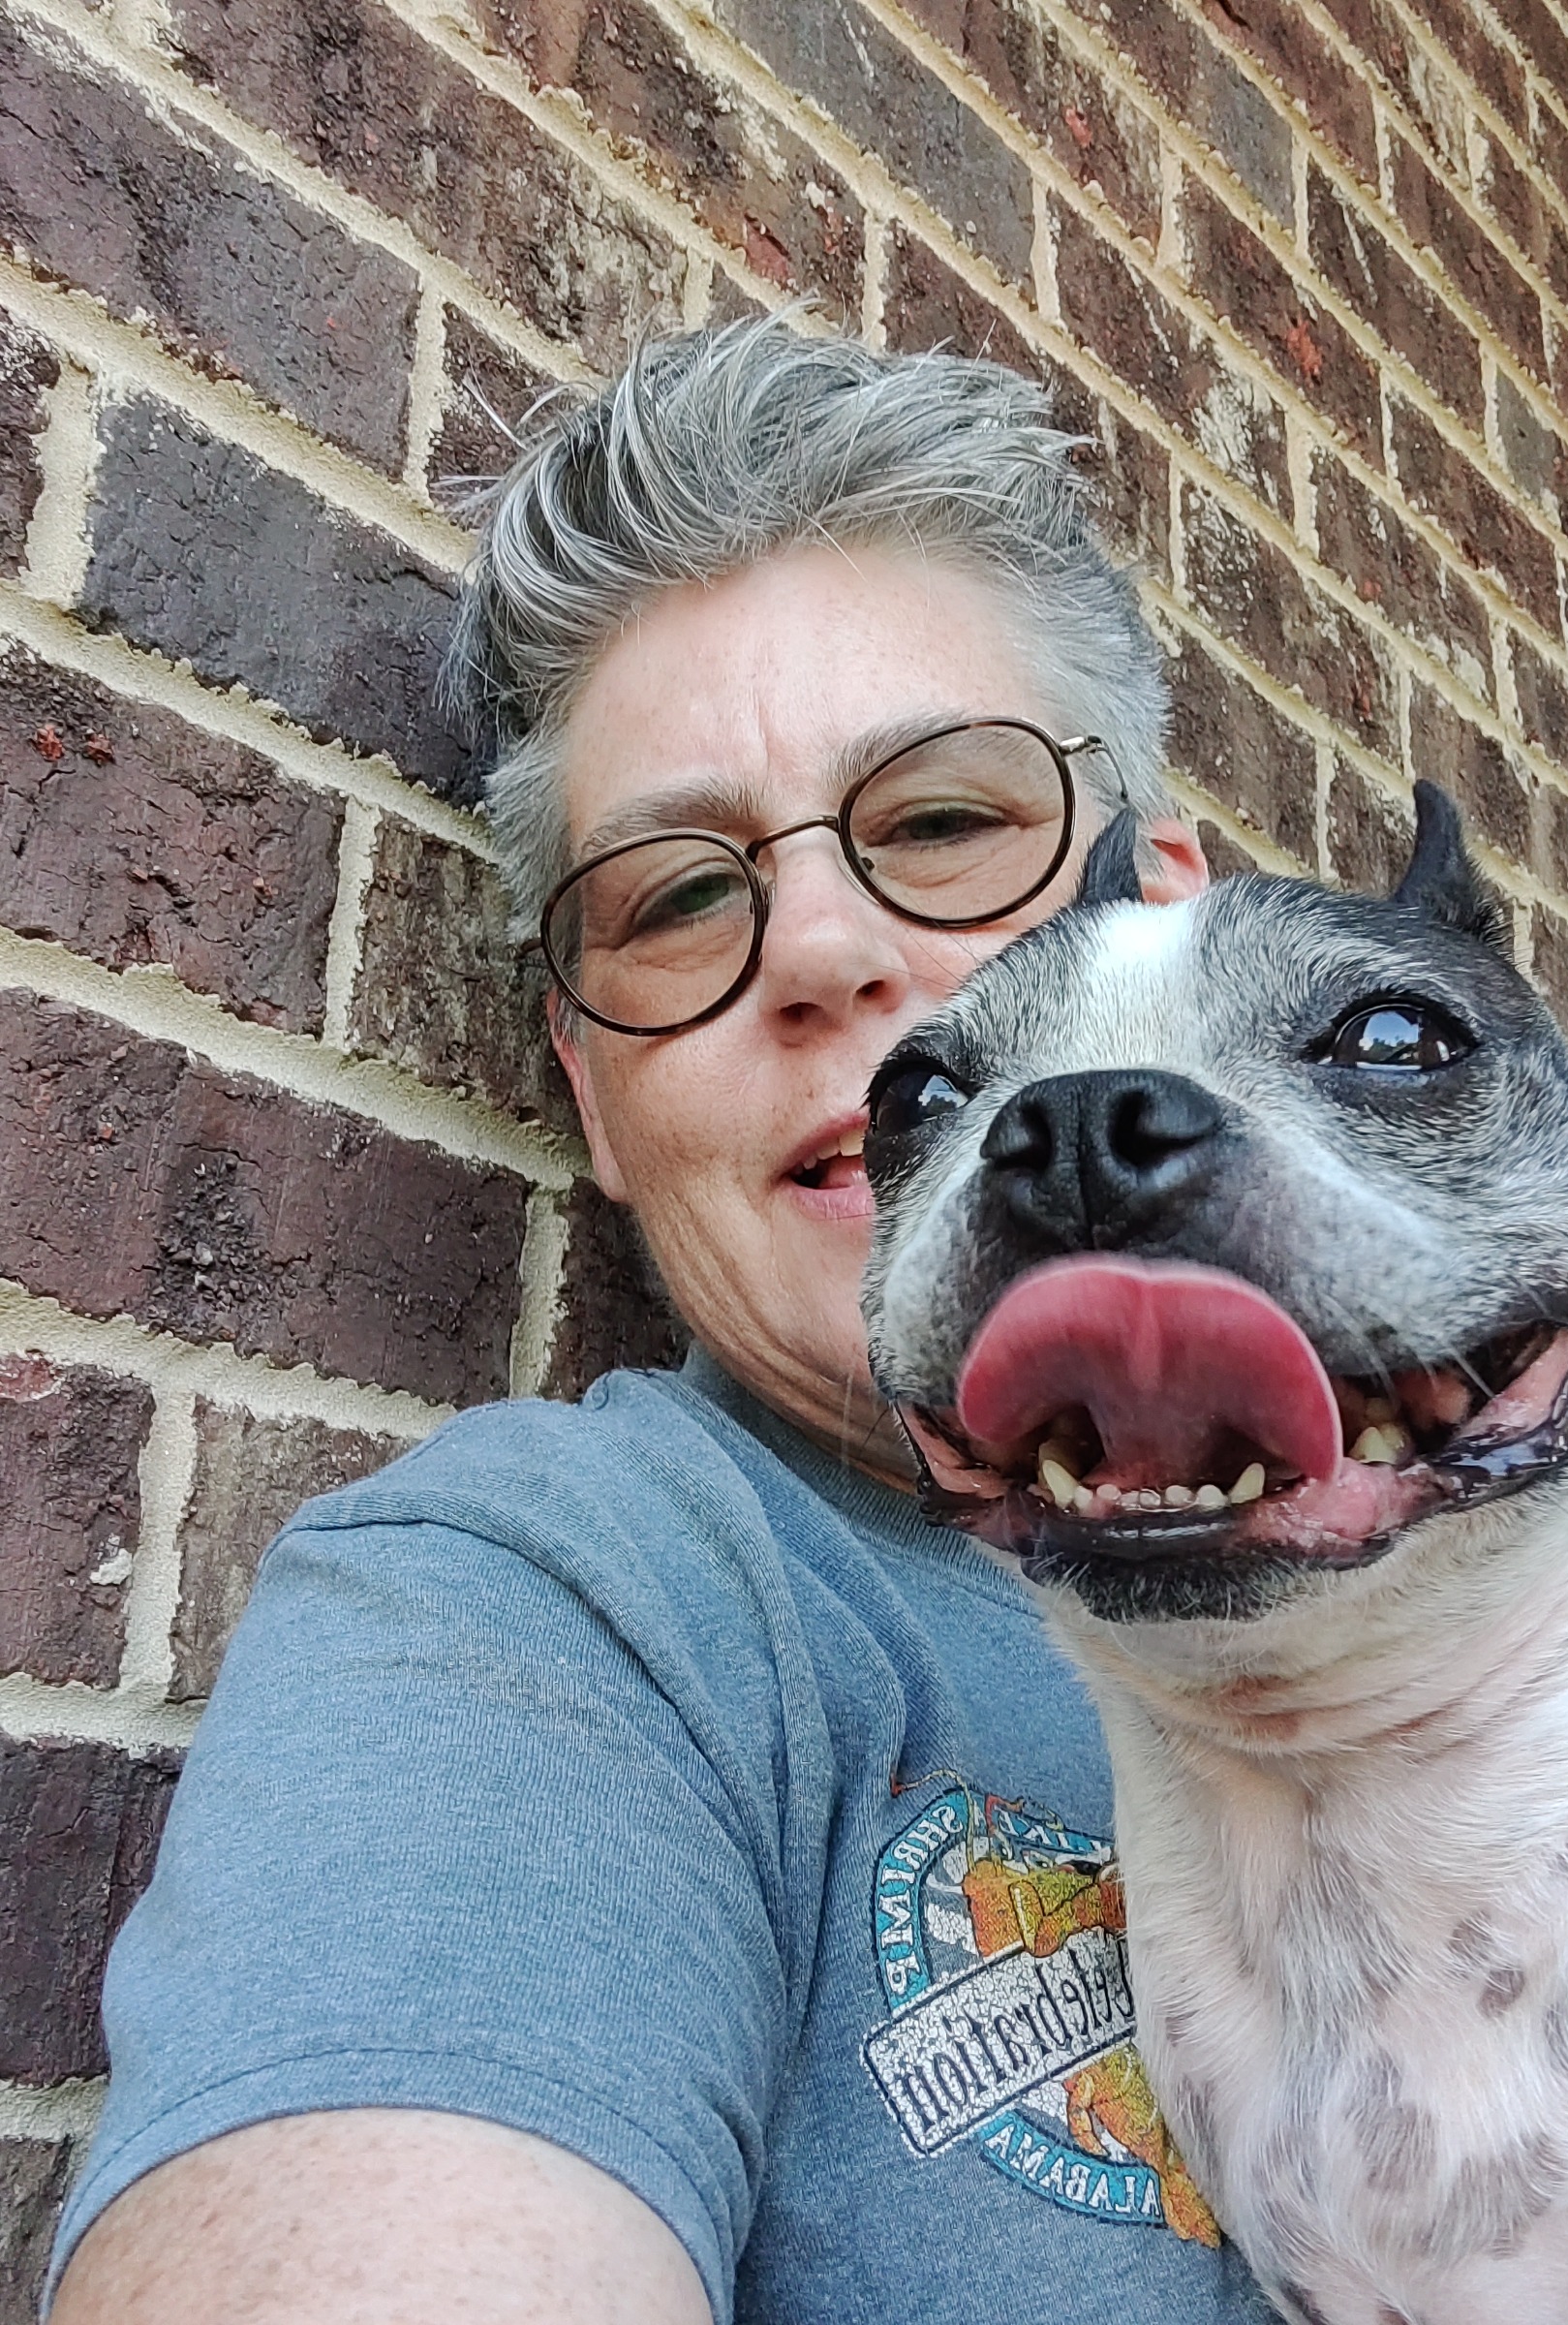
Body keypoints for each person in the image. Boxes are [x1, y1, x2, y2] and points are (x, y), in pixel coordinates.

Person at [48, 317, 1276, 2323]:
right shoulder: (549, 1609)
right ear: (597, 1090)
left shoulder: (1545, 1533)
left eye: (949, 822)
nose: (818, 945)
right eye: (679, 900)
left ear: (1168, 909)